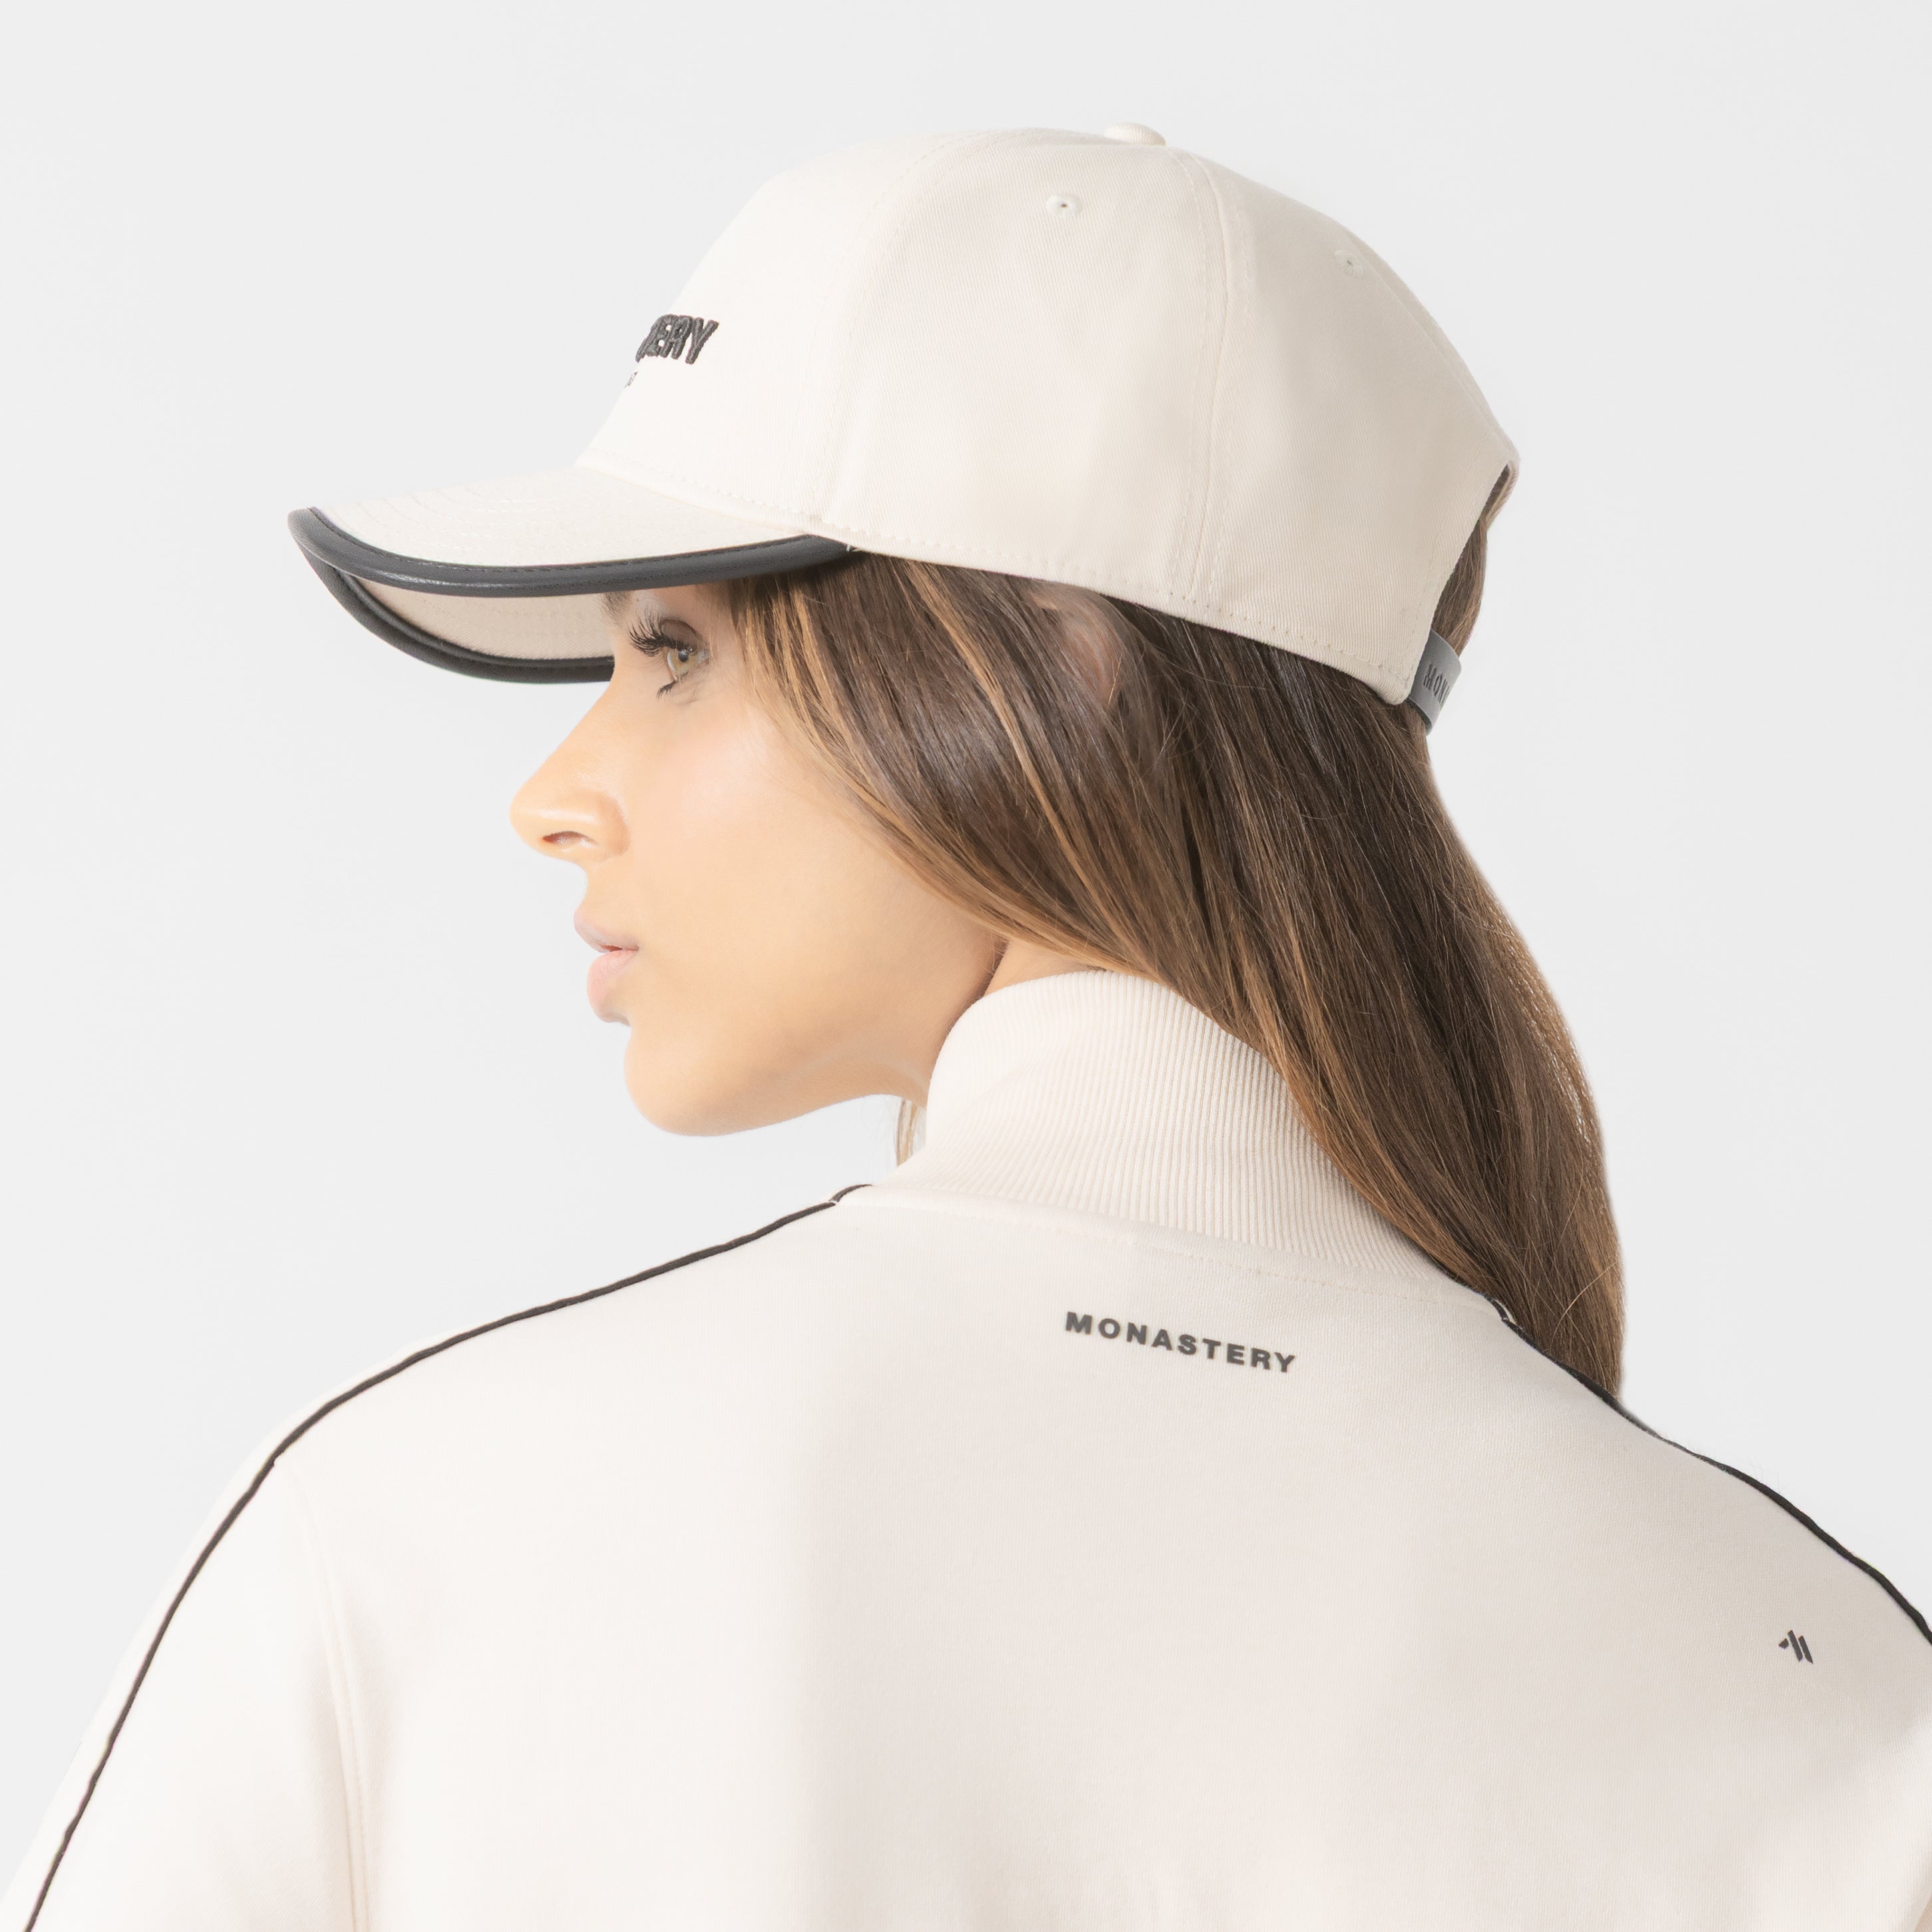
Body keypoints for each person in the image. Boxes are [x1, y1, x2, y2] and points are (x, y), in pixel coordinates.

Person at [7, 125, 1929, 1932]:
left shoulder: (433, 1525)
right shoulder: (1832, 1691)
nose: (554, 793)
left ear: (1060, 668)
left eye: (671, 652)